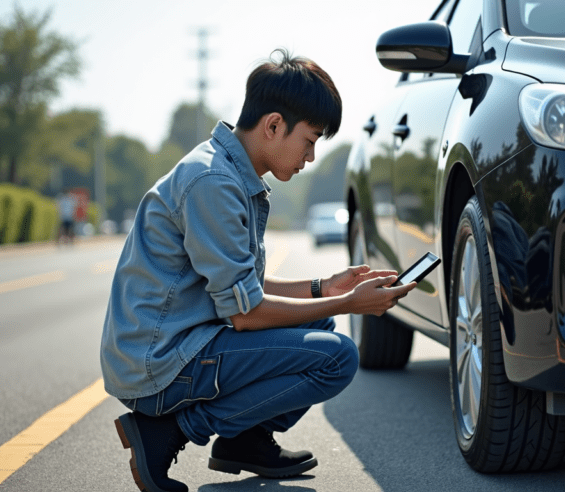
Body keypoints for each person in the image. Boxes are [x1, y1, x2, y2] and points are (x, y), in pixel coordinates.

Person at [101, 48, 416, 492]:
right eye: (309, 140)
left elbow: (238, 286)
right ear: (273, 126)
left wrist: (324, 287)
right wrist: (349, 303)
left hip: (178, 345)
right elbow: (245, 314)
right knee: (338, 357)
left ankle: (243, 441)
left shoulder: (228, 172)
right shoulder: (213, 182)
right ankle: (167, 432)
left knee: (321, 319)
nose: (309, 155)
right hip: (159, 365)